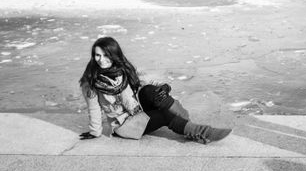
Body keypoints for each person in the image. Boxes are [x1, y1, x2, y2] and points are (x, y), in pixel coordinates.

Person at [78, 36, 232, 143]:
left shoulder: (123, 69)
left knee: (151, 91)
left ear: (114, 55)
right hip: (125, 124)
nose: (101, 59)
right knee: (164, 115)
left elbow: (145, 80)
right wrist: (94, 132)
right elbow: (94, 110)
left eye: (106, 55)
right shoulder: (91, 82)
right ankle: (202, 131)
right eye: (97, 55)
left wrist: (163, 87)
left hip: (138, 110)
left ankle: (185, 121)